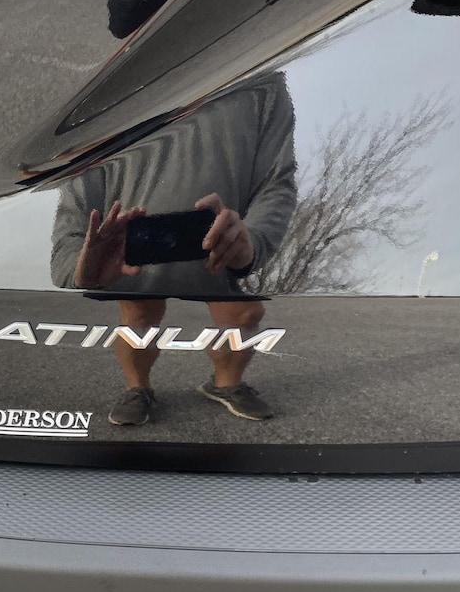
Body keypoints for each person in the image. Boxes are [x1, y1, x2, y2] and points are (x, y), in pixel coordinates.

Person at [50, 74, 297, 425]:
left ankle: (225, 384)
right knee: (138, 317)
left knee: (245, 315)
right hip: (133, 246)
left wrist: (253, 241)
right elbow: (77, 188)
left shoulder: (263, 81)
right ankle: (138, 388)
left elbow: (277, 182)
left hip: (219, 244)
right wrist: (77, 266)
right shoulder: (105, 81)